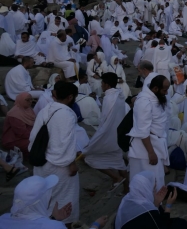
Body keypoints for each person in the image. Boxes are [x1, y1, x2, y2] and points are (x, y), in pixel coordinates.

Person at [28, 81, 80, 226]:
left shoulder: (45, 110)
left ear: (54, 94)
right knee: (64, 200)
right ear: (70, 97)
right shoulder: (67, 115)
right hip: (60, 167)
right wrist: (72, 164)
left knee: (44, 198)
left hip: (41, 163)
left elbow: (33, 137)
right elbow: (65, 143)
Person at [0, 175, 108, 229]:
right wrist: (95, 225)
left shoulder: (3, 219)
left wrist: (53, 218)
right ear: (42, 201)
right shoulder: (54, 227)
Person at [82, 73, 129, 194]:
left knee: (90, 158)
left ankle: (116, 178)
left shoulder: (109, 98)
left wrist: (97, 139)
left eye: (102, 83)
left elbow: (106, 121)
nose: (101, 85)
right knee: (119, 162)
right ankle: (126, 188)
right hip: (118, 134)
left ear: (107, 85)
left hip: (109, 135)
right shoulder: (119, 95)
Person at [127, 75, 171, 190]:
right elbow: (143, 130)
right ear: (155, 89)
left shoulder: (155, 97)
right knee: (149, 183)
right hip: (145, 150)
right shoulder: (144, 102)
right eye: (164, 90)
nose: (166, 93)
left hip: (156, 144)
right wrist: (151, 153)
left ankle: (156, 205)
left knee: (157, 180)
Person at [115, 171, 187, 229]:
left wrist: (156, 204)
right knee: (181, 223)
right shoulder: (148, 212)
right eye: (153, 185)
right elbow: (162, 225)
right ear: (146, 188)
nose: (156, 186)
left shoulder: (126, 199)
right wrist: (168, 206)